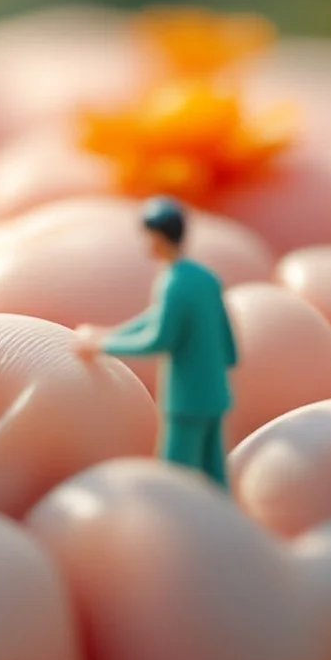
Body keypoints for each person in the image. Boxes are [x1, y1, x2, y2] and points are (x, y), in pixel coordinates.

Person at [73, 196, 239, 486]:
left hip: (186, 401)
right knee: (215, 474)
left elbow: (158, 339)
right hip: (215, 392)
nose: (145, 243)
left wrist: (102, 347)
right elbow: (225, 340)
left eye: (148, 236)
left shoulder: (172, 282)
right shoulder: (204, 277)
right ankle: (224, 525)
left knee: (172, 475)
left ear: (159, 238)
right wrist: (108, 333)